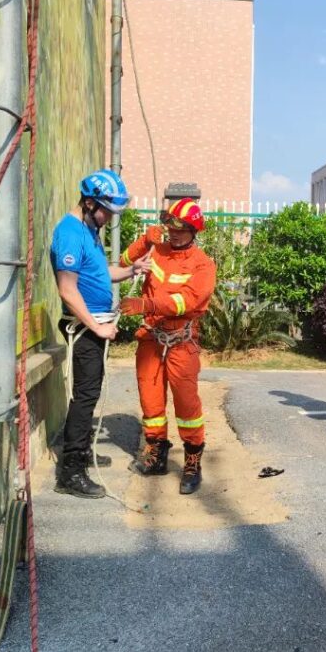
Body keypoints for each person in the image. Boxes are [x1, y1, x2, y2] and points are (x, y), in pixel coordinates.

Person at [51, 169, 148, 499]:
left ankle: (82, 453)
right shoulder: (70, 234)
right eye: (106, 210)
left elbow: (99, 271)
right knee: (85, 397)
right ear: (90, 203)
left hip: (95, 329)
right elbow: (67, 290)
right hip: (85, 331)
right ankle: (71, 471)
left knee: (88, 394)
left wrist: (131, 270)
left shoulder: (88, 230)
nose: (110, 217)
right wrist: (97, 327)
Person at [119, 198, 217, 495]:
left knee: (187, 405)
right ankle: (156, 451)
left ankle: (192, 459)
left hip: (181, 342)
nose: (173, 233)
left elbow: (187, 301)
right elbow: (124, 263)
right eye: (170, 227)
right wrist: (142, 242)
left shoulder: (203, 264)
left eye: (181, 229)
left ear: (193, 230)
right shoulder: (156, 250)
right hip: (151, 338)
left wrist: (146, 303)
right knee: (150, 400)